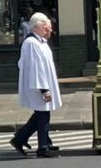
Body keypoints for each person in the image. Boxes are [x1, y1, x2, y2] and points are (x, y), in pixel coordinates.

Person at [11, 13, 62, 159]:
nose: (49, 31)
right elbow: (36, 68)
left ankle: (22, 139)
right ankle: (42, 147)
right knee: (42, 115)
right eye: (46, 28)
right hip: (37, 86)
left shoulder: (40, 42)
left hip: (40, 84)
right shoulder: (32, 43)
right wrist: (44, 90)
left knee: (41, 114)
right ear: (37, 27)